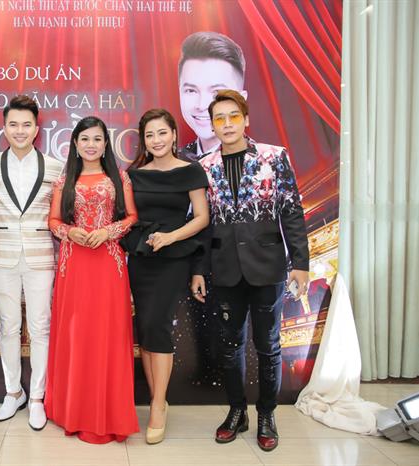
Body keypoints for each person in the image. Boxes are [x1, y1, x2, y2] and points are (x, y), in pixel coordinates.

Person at [191, 90, 309, 452]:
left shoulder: (274, 156)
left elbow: (291, 210)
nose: (226, 124)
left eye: (233, 116)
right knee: (229, 346)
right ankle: (237, 411)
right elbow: (202, 223)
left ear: (245, 119)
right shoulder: (204, 165)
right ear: (212, 125)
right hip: (224, 268)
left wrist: (301, 263)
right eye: (219, 118)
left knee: (268, 346)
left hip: (268, 267)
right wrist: (198, 270)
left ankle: (267, 415)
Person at [45, 116, 139, 444]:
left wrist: (108, 231)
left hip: (109, 265)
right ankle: (75, 412)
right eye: (84, 139)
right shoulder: (64, 181)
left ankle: (110, 414)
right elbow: (53, 220)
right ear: (74, 143)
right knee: (77, 335)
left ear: (105, 143)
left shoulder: (120, 177)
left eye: (97, 139)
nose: (91, 145)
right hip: (74, 265)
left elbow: (132, 216)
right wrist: (70, 231)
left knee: (107, 334)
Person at [125, 109, 210, 444]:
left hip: (173, 259)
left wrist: (171, 237)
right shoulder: (134, 174)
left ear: (174, 134)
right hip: (140, 259)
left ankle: (158, 404)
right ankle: (155, 398)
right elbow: (128, 217)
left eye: (162, 133)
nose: (156, 140)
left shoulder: (191, 170)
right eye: (150, 135)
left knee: (158, 326)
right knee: (146, 328)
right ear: (143, 140)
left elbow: (202, 217)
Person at [0, 95, 64, 430]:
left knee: (41, 327)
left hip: (42, 256)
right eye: (13, 124)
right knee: (9, 327)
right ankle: (13, 392)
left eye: (26, 125)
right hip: (2, 257)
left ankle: (38, 397)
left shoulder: (55, 167)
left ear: (36, 129)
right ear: (4, 127)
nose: (19, 130)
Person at [177, 31, 247, 161]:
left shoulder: (268, 160)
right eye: (191, 90)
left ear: (241, 100)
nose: (202, 105)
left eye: (216, 92)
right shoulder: (171, 164)